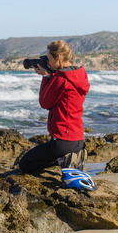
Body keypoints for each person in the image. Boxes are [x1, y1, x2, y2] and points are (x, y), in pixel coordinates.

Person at [19, 40, 90, 173]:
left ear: (58, 57)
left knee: (25, 164)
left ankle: (64, 160)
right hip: (77, 139)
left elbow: (45, 103)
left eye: (49, 58)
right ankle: (73, 157)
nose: (48, 62)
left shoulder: (61, 79)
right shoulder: (79, 74)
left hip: (63, 141)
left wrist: (46, 77)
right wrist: (51, 75)